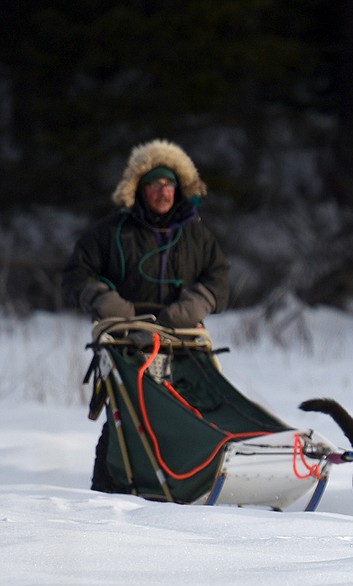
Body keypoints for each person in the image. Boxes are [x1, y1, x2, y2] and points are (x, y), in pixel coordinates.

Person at [63, 139, 231, 492]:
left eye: (169, 184)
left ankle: (189, 486)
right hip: (126, 340)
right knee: (127, 419)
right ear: (139, 190)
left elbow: (219, 277)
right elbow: (77, 273)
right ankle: (110, 493)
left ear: (180, 189)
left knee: (188, 417)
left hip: (182, 340)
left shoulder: (196, 234)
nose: (163, 191)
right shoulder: (112, 232)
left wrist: (196, 305)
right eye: (155, 184)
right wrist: (105, 301)